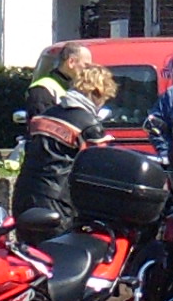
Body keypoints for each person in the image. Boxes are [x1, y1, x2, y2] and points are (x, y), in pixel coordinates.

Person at [13, 46, 114, 236]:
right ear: (98, 94)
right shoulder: (88, 125)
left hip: (23, 196)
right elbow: (99, 172)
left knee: (26, 251)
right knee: (58, 252)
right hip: (56, 202)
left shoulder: (44, 116)